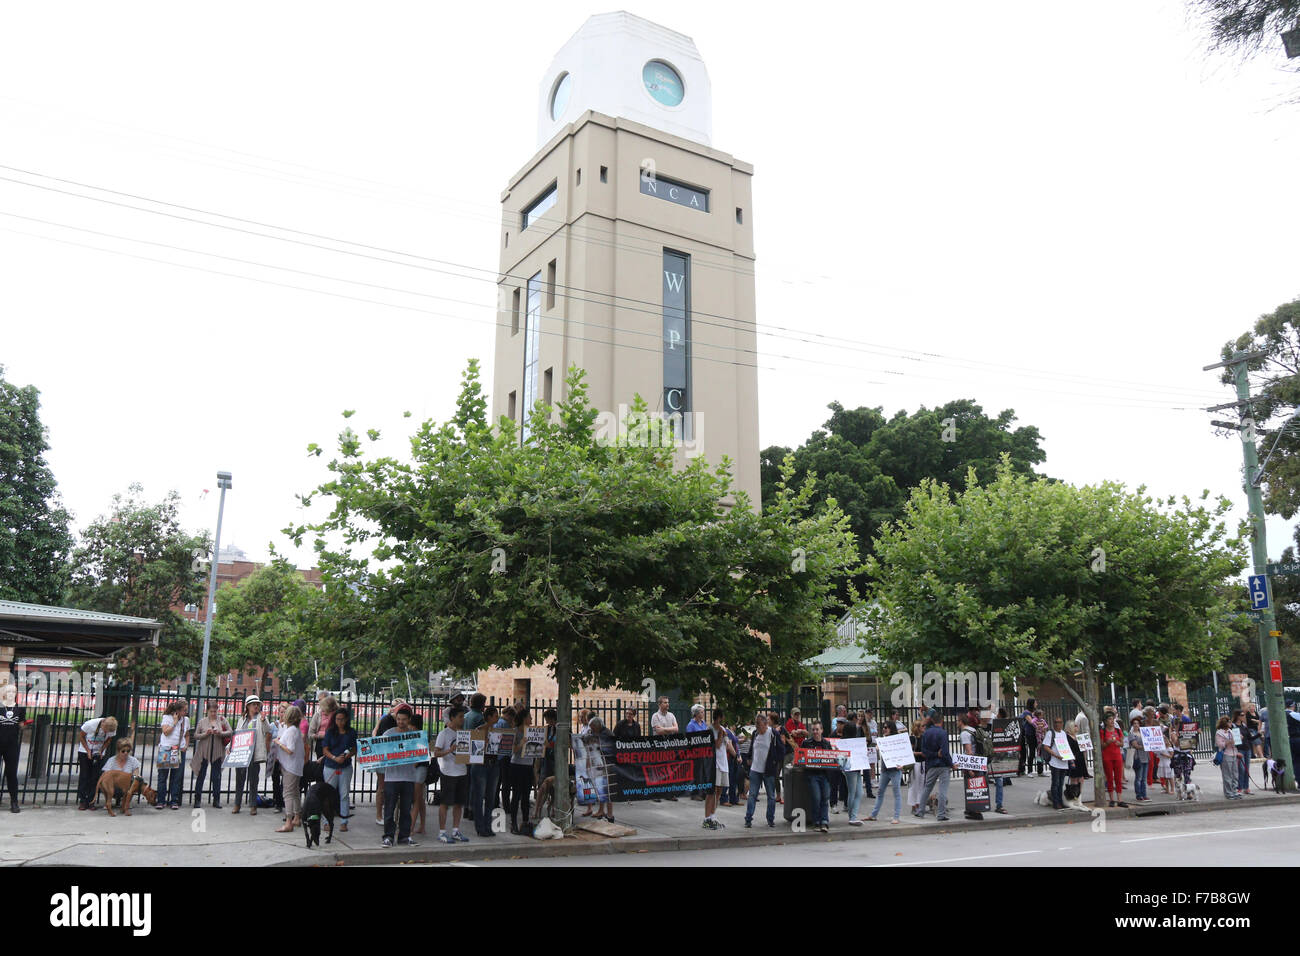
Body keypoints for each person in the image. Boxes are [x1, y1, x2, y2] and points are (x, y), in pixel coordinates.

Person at [378, 704, 420, 847]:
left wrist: (412, 763)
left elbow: (419, 756)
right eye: (399, 719)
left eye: (404, 719)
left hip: (408, 778)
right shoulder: (388, 734)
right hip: (392, 778)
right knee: (389, 809)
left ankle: (404, 836)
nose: (401, 722)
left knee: (406, 810)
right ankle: (388, 836)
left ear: (409, 720)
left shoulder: (414, 735)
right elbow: (379, 753)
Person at [434, 705, 470, 843]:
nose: (462, 720)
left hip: (462, 771)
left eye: (463, 717)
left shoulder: (464, 733)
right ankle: (442, 831)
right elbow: (436, 753)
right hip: (448, 772)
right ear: (452, 718)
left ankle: (456, 830)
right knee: (445, 803)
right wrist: (449, 750)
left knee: (459, 803)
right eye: (460, 717)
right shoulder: (444, 734)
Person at [232, 696, 272, 814]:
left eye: (257, 704)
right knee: (239, 780)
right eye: (253, 704)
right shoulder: (242, 719)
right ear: (247, 706)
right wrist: (230, 747)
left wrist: (264, 721)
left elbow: (268, 730)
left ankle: (253, 805)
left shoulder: (261, 718)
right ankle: (237, 804)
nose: (256, 706)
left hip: (254, 754)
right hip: (242, 754)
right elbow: (237, 735)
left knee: (253, 780)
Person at [372, 698, 408, 826]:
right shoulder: (387, 720)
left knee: (391, 788)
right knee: (382, 787)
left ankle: (389, 814)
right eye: (393, 706)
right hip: (384, 757)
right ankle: (379, 815)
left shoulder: (398, 722)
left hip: (394, 757)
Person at [321, 706, 356, 832]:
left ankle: (344, 821)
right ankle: (326, 821)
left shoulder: (351, 732)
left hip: (345, 766)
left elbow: (354, 748)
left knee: (344, 794)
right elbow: (325, 749)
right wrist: (335, 758)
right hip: (331, 765)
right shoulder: (330, 732)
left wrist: (346, 756)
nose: (339, 722)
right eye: (337, 719)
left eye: (342, 719)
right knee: (328, 795)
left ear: (346, 719)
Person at [744, 712, 781, 828]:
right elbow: (752, 747)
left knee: (771, 796)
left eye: (759, 725)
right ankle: (748, 819)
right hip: (755, 769)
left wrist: (774, 762)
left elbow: (781, 749)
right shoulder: (755, 733)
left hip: (768, 770)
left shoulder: (773, 734)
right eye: (756, 725)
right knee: (752, 795)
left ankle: (770, 819)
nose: (757, 727)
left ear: (765, 724)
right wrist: (749, 757)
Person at [192, 700, 231, 809]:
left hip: (217, 752)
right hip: (204, 751)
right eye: (211, 711)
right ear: (207, 711)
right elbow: (195, 735)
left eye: (215, 711)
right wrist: (206, 733)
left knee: (216, 777)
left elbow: (231, 732)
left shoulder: (222, 720)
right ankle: (197, 799)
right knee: (201, 775)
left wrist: (220, 733)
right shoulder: (202, 721)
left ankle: (216, 800)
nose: (213, 713)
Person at [76, 715, 118, 811]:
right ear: (103, 724)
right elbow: (81, 736)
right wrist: (87, 750)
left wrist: (101, 750)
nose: (106, 733)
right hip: (84, 751)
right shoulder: (90, 724)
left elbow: (109, 740)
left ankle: (91, 801)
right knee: (84, 776)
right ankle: (82, 800)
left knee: (95, 777)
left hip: (98, 753)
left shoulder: (112, 729)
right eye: (105, 730)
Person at [916, 710, 952, 821]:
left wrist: (934, 754)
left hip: (931, 764)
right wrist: (951, 764)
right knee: (943, 790)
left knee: (927, 788)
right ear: (941, 721)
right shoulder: (943, 733)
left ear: (932, 720)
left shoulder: (926, 733)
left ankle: (920, 811)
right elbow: (945, 752)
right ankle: (941, 814)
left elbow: (924, 751)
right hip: (943, 765)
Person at [703, 707, 736, 829]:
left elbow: (728, 745)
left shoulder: (723, 729)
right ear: (719, 717)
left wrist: (736, 756)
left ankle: (713, 815)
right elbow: (716, 745)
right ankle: (706, 818)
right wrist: (721, 735)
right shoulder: (710, 729)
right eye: (723, 716)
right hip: (714, 763)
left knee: (719, 791)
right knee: (712, 791)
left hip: (723, 763)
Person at [274, 704, 304, 832]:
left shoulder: (291, 730)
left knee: (288, 793)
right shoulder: (295, 730)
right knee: (295, 792)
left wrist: (279, 743)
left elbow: (290, 750)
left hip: (290, 767)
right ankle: (297, 817)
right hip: (295, 766)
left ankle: (288, 822)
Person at [155, 700, 189, 810]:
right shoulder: (167, 717)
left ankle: (174, 800)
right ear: (177, 711)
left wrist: (186, 745)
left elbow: (187, 734)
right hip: (166, 748)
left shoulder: (186, 720)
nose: (185, 712)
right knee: (163, 776)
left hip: (177, 749)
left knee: (176, 777)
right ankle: (161, 800)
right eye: (184, 710)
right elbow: (165, 732)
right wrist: (174, 722)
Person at [801, 720, 834, 832]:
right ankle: (816, 822)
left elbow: (831, 759)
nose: (815, 732)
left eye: (817, 729)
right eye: (813, 729)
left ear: (822, 730)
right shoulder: (807, 743)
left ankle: (824, 821)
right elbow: (801, 758)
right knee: (816, 798)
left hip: (825, 775)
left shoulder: (826, 744)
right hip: (812, 775)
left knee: (825, 798)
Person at [867, 721, 903, 823]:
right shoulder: (883, 740)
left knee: (896, 793)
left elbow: (903, 752)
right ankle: (874, 815)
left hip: (895, 770)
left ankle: (896, 817)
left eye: (886, 727)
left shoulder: (896, 740)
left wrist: (903, 764)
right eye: (883, 727)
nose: (884, 729)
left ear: (891, 729)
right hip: (885, 770)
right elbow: (878, 748)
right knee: (880, 792)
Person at [0, 681, 28, 812]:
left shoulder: (19, 708)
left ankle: (14, 802)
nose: (11, 694)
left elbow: (21, 725)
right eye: (9, 691)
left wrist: (24, 725)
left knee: (11, 773)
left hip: (11, 744)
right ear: (4, 693)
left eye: (14, 692)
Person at [508, 709, 535, 833]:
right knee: (517, 794)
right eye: (530, 717)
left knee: (526, 796)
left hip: (528, 766)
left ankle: (525, 821)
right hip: (517, 765)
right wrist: (521, 743)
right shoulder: (515, 732)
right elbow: (512, 750)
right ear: (524, 719)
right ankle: (513, 822)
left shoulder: (533, 732)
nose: (531, 719)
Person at [1040, 716, 1070, 811]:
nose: (1058, 724)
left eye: (1060, 722)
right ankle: (1056, 802)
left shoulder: (1064, 733)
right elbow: (1045, 746)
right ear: (1053, 724)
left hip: (1063, 763)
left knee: (1061, 783)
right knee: (1055, 783)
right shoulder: (1050, 733)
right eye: (1056, 722)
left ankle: (1060, 801)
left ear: (1062, 724)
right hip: (1055, 763)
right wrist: (1056, 755)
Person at [958, 713, 984, 820]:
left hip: (972, 763)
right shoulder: (972, 730)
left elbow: (969, 751)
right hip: (978, 761)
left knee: (971, 786)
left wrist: (969, 769)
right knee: (976, 786)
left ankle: (975, 812)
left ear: (961, 721)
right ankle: (971, 809)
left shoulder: (964, 733)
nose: (956, 722)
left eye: (957, 720)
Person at [1100, 712, 1126, 807]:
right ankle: (1111, 799)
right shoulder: (1103, 731)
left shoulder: (1118, 731)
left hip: (1117, 756)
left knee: (1118, 778)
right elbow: (1102, 745)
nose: (1112, 721)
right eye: (1110, 719)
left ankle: (1120, 799)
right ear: (1106, 721)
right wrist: (1108, 742)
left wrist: (1119, 743)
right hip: (1107, 757)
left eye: (1112, 719)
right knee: (1110, 778)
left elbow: (1122, 743)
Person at [1215, 715, 1243, 800]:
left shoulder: (1231, 731)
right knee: (1227, 775)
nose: (1231, 723)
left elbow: (1236, 743)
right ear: (1225, 723)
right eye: (1229, 722)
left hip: (1234, 754)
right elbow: (1220, 744)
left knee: (1235, 774)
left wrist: (1239, 739)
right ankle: (1228, 792)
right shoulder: (1219, 733)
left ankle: (1234, 791)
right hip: (1226, 754)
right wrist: (1229, 742)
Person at [1065, 720, 1091, 803]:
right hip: (1073, 760)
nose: (1077, 727)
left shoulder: (1078, 736)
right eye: (1075, 726)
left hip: (1080, 759)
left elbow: (1083, 748)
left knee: (1081, 778)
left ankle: (1079, 795)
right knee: (1074, 779)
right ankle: (1074, 795)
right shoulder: (1068, 737)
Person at [907, 719, 927, 814]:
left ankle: (919, 804)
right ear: (918, 728)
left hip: (923, 763)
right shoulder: (913, 738)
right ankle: (913, 805)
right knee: (914, 785)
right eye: (922, 726)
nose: (924, 728)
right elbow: (910, 752)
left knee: (922, 785)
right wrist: (920, 753)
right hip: (915, 764)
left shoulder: (924, 737)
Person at [1017, 698, 1037, 777]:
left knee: (1037, 752)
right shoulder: (1026, 712)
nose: (1037, 704)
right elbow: (1031, 722)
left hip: (1035, 734)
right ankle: (1029, 770)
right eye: (1035, 702)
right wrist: (1039, 725)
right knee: (1030, 752)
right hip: (1028, 734)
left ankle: (1039, 769)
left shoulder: (1034, 712)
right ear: (1032, 703)